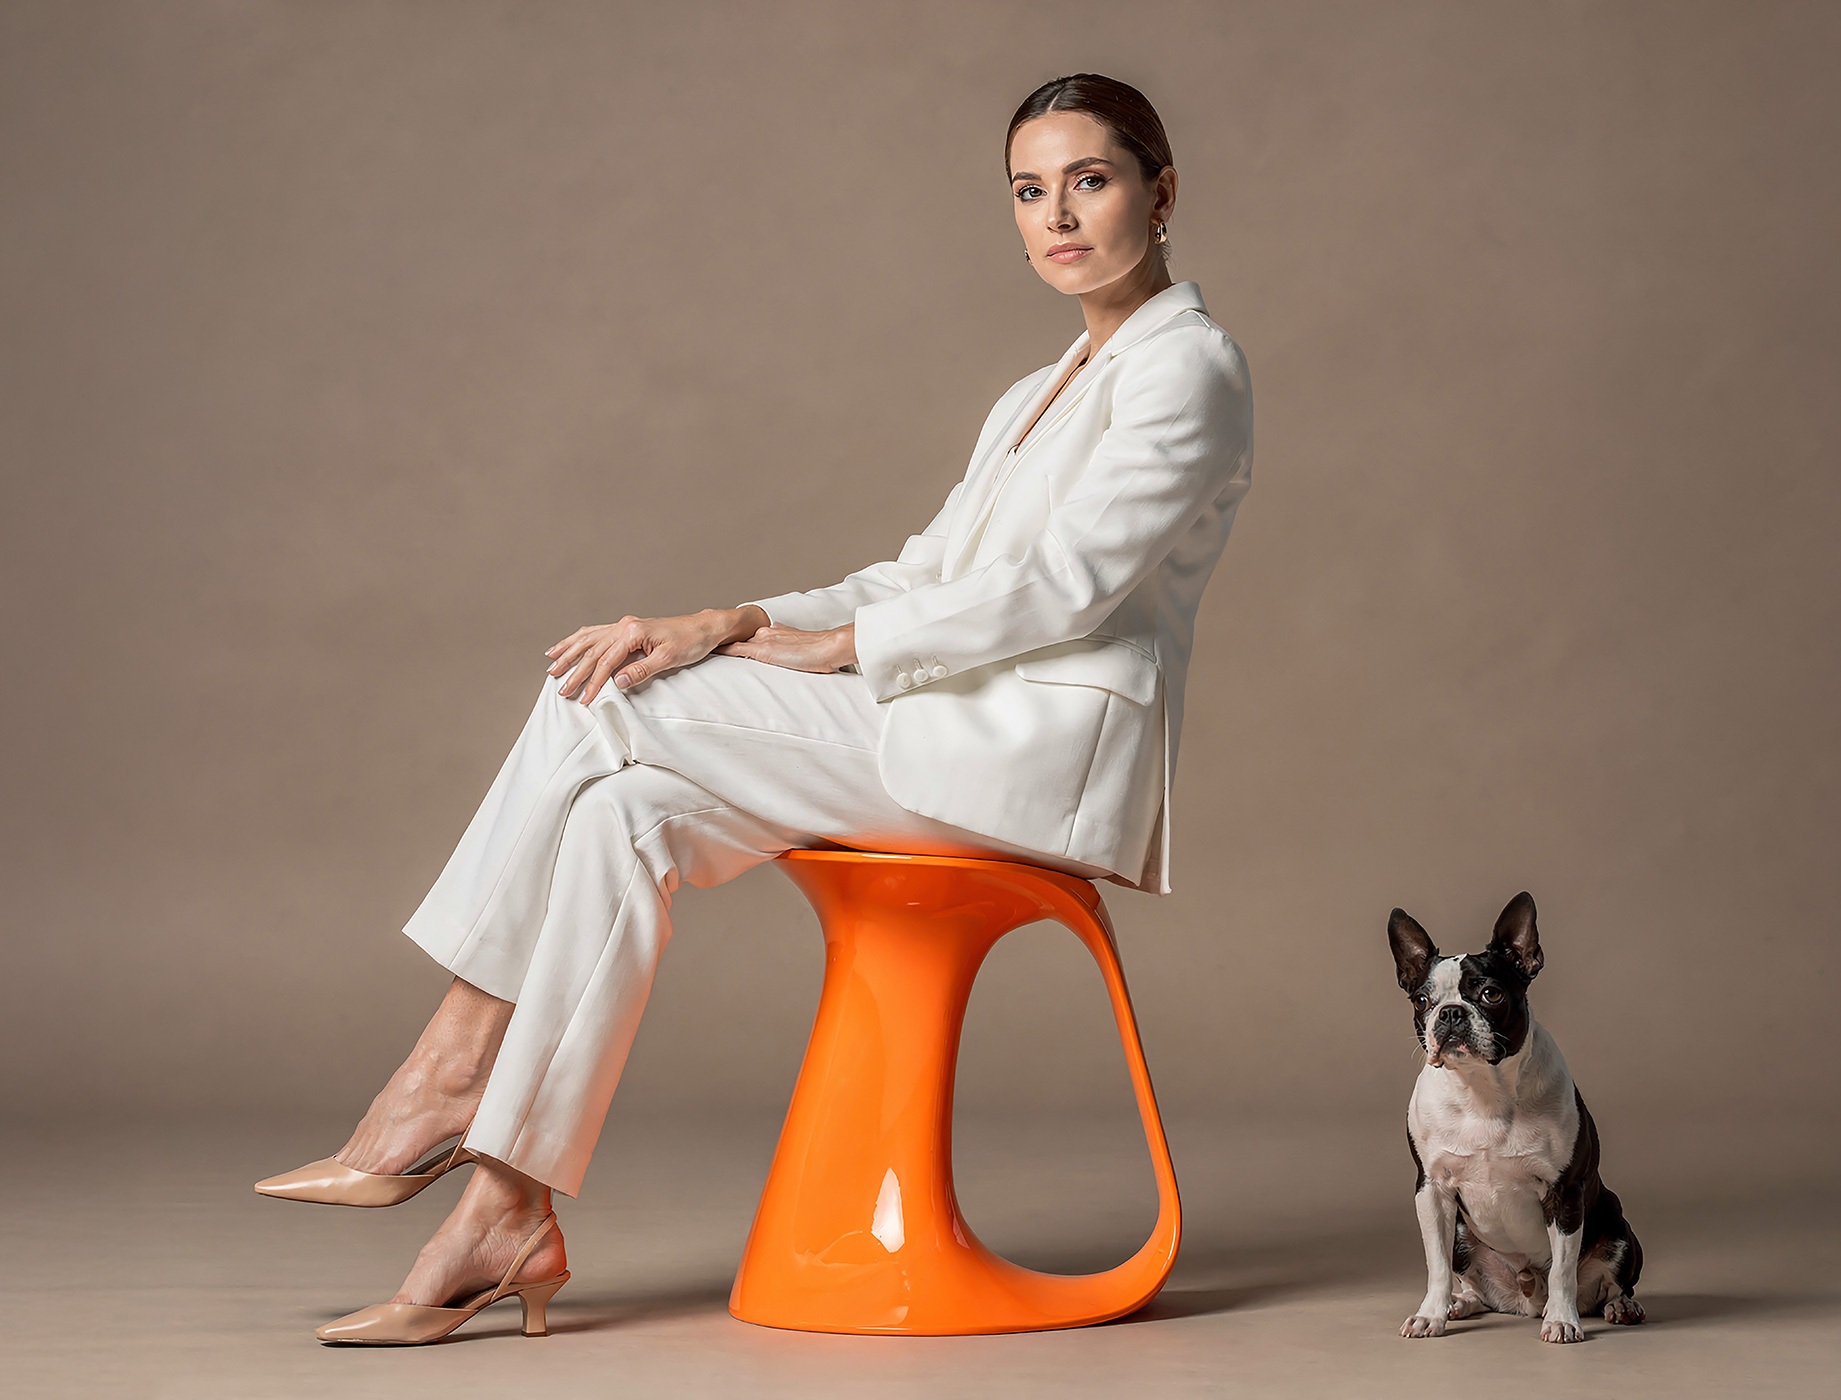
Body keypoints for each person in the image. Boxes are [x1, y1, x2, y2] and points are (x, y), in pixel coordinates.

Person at [257, 72, 1254, 1345]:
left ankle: (445, 1075)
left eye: (1091, 181)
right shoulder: (1044, 384)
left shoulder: (1191, 369)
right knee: (628, 811)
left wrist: (842, 642)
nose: (1057, 215)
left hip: (1032, 759)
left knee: (595, 704)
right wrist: (731, 618)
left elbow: (1067, 587)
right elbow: (921, 570)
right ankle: (501, 1210)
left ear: (1161, 193)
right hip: (937, 728)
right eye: (1028, 189)